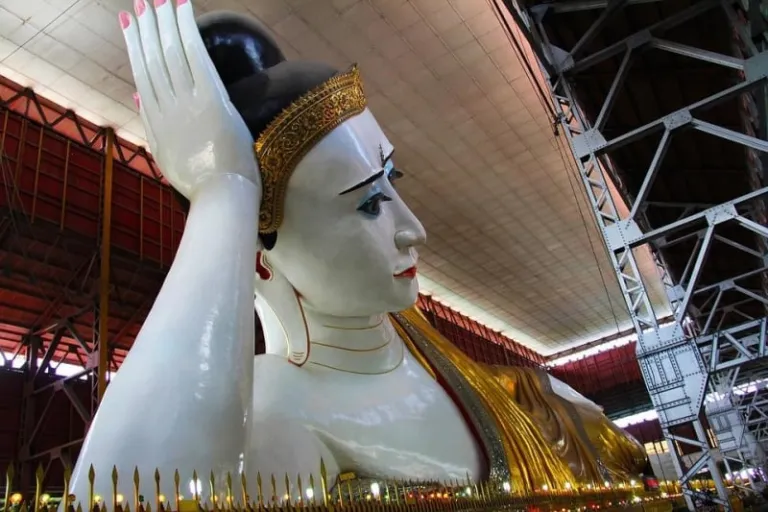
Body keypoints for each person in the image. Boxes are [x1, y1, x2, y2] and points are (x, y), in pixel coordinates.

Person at [68, 0, 647, 505]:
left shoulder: (524, 393)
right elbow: (132, 492)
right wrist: (226, 192)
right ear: (259, 258)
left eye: (393, 179)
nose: (413, 229)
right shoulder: (277, 414)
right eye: (368, 204)